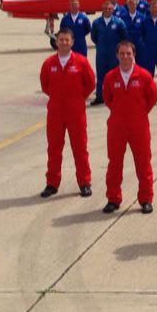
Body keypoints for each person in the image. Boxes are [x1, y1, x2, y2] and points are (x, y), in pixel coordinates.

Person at [39, 29, 96, 198]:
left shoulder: (81, 62)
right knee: (54, 149)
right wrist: (58, 97)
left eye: (67, 40)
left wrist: (78, 98)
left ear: (72, 42)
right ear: (56, 41)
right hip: (55, 112)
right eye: (61, 39)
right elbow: (45, 85)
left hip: (76, 112)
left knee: (80, 148)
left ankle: (84, 182)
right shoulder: (48, 63)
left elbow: (90, 83)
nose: (64, 42)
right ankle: (52, 183)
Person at [101, 40, 157, 214]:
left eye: (128, 54)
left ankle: (146, 199)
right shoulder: (110, 77)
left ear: (134, 55)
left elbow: (152, 98)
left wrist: (139, 113)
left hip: (139, 127)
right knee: (114, 164)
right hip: (117, 127)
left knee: (143, 163)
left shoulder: (144, 76)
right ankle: (113, 198)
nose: (125, 57)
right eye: (122, 54)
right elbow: (107, 99)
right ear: (117, 55)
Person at [91, 1, 129, 105]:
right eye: (105, 9)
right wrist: (101, 45)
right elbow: (94, 37)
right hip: (101, 53)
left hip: (114, 54)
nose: (107, 10)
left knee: (115, 75)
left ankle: (116, 96)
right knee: (100, 75)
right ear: (102, 10)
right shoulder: (96, 23)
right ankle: (100, 97)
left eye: (109, 9)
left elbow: (124, 37)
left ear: (112, 10)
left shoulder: (119, 22)